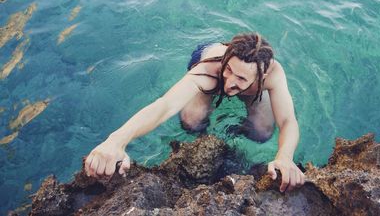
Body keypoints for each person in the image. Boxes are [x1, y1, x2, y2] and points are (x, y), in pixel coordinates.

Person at [84, 32, 305, 193]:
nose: (229, 83)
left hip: (252, 87)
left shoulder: (273, 75)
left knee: (262, 132)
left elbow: (287, 121)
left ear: (261, 77)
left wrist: (284, 158)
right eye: (229, 70)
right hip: (206, 57)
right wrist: (116, 140)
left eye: (240, 79)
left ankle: (232, 135)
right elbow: (164, 106)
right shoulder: (210, 72)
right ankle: (207, 132)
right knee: (191, 122)